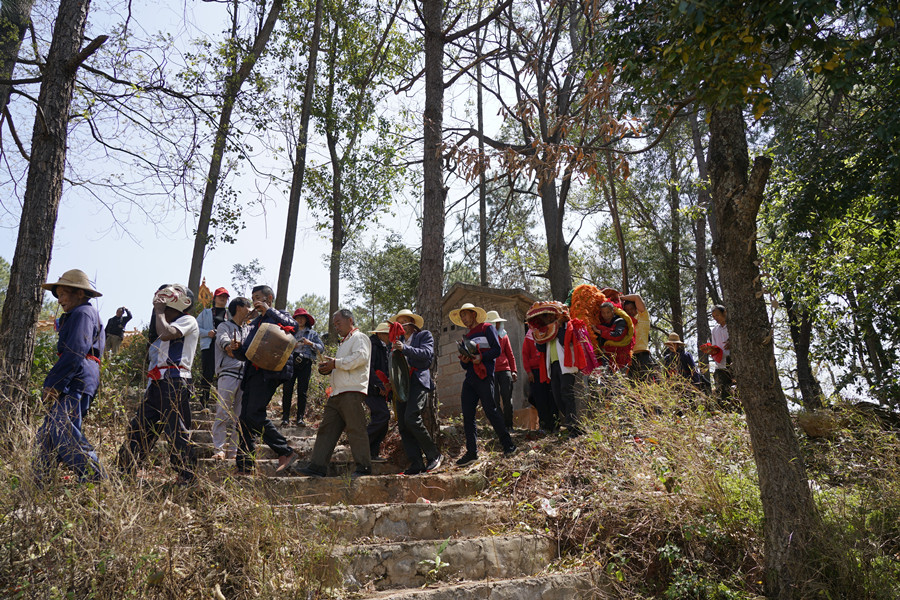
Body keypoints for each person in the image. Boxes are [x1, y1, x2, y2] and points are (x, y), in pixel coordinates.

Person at [118, 284, 199, 485]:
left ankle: (187, 477)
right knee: (140, 426)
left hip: (175, 380)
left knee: (175, 430)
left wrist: (160, 312)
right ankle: (124, 470)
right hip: (158, 380)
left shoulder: (187, 320)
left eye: (167, 306)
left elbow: (167, 333)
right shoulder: (164, 321)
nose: (162, 309)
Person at [34, 270, 106, 484]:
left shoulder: (83, 312)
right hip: (76, 376)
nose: (61, 299)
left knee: (63, 431)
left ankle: (96, 479)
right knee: (47, 436)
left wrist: (54, 384)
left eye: (65, 293)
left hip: (77, 377)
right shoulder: (75, 314)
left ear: (81, 294)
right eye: (58, 294)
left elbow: (75, 350)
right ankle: (38, 487)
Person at [234, 285, 300, 475]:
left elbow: (293, 327)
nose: (255, 301)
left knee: (254, 414)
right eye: (253, 298)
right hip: (252, 374)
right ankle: (244, 465)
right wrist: (237, 348)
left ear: (269, 298)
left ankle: (285, 450)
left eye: (259, 298)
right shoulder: (254, 324)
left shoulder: (278, 314)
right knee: (244, 418)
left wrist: (269, 310)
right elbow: (246, 354)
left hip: (269, 372)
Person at [299, 309, 372, 478]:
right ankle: (317, 466)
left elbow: (360, 358)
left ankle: (364, 467)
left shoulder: (359, 338)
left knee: (355, 429)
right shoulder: (344, 342)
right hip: (337, 393)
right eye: (335, 324)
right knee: (327, 429)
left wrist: (336, 364)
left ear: (350, 321)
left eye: (338, 323)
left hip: (352, 391)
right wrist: (329, 368)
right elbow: (341, 365)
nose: (336, 327)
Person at [450, 302, 516, 466]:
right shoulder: (467, 336)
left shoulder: (487, 328)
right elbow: (465, 365)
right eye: (461, 316)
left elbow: (496, 350)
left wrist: (482, 358)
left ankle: (508, 444)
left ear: (473, 314)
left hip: (485, 376)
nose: (463, 318)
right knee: (467, 414)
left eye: (465, 314)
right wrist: (465, 360)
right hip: (470, 378)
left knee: (491, 410)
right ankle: (472, 452)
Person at [390, 308, 442, 475]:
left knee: (412, 417)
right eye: (399, 322)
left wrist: (405, 349)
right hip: (402, 385)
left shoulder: (423, 336)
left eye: (404, 322)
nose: (401, 326)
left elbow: (427, 355)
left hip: (418, 381)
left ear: (412, 325)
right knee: (404, 425)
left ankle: (434, 454)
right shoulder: (396, 342)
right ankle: (416, 462)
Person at [527, 302, 582, 437]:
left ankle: (573, 428)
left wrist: (556, 328)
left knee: (566, 394)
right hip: (553, 366)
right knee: (557, 397)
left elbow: (565, 341)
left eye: (550, 316)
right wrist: (539, 335)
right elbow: (540, 348)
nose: (548, 319)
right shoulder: (546, 331)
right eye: (545, 318)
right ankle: (572, 425)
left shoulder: (566, 327)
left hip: (566, 365)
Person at [211, 297, 252, 460]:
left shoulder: (249, 329)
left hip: (245, 376)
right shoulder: (224, 326)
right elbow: (223, 342)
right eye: (248, 306)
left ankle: (234, 451)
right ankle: (219, 449)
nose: (250, 310)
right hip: (228, 373)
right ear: (239, 308)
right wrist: (231, 346)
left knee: (240, 416)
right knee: (222, 411)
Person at [280, 307, 324, 427]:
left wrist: (311, 344)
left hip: (306, 363)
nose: (300, 320)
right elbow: (281, 346)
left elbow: (322, 348)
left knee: (302, 391)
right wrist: (290, 346)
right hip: (290, 361)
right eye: (297, 318)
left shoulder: (312, 334)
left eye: (302, 318)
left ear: (306, 320)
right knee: (287, 389)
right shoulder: (289, 331)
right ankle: (285, 418)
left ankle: (300, 418)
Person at [197, 287, 230, 406]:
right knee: (207, 373)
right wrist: (207, 333)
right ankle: (204, 401)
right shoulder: (205, 313)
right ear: (214, 298)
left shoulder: (229, 314)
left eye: (225, 297)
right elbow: (195, 328)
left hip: (225, 347)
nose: (223, 298)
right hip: (209, 346)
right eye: (220, 296)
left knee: (225, 373)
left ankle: (222, 402)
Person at [485, 310, 518, 429]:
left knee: (507, 398)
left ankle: (509, 425)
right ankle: (500, 426)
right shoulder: (485, 338)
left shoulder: (504, 335)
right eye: (495, 323)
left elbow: (510, 354)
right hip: (491, 371)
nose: (498, 325)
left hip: (505, 370)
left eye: (498, 322)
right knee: (494, 400)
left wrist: (514, 370)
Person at [522, 325, 557, 433]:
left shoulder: (549, 332)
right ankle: (544, 424)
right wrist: (529, 371)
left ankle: (555, 424)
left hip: (548, 368)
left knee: (552, 397)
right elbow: (525, 354)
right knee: (539, 398)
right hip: (535, 372)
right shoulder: (529, 337)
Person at [365, 322, 393, 461]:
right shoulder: (373, 345)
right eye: (388, 335)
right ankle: (361, 445)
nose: (390, 337)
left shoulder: (383, 347)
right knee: (383, 415)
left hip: (379, 389)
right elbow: (369, 369)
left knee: (382, 421)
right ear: (381, 334)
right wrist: (380, 385)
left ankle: (372, 453)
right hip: (372, 389)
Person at [703, 305, 735, 409]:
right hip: (720, 363)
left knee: (736, 389)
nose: (715, 318)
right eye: (713, 316)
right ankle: (727, 412)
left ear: (724, 313)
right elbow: (716, 346)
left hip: (734, 361)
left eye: (717, 315)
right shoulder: (714, 330)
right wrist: (711, 350)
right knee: (722, 391)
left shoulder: (732, 326)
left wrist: (733, 342)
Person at [621, 293, 656, 382]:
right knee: (634, 389)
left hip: (644, 357)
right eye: (627, 310)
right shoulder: (626, 323)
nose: (630, 312)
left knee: (649, 385)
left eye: (632, 308)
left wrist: (621, 298)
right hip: (631, 361)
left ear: (636, 308)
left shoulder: (643, 317)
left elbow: (637, 297)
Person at [593, 301, 634, 371]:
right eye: (603, 313)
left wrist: (599, 331)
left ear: (613, 311)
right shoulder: (602, 324)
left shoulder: (620, 321)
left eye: (608, 312)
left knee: (617, 379)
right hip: (605, 356)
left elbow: (618, 336)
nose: (606, 315)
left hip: (619, 357)